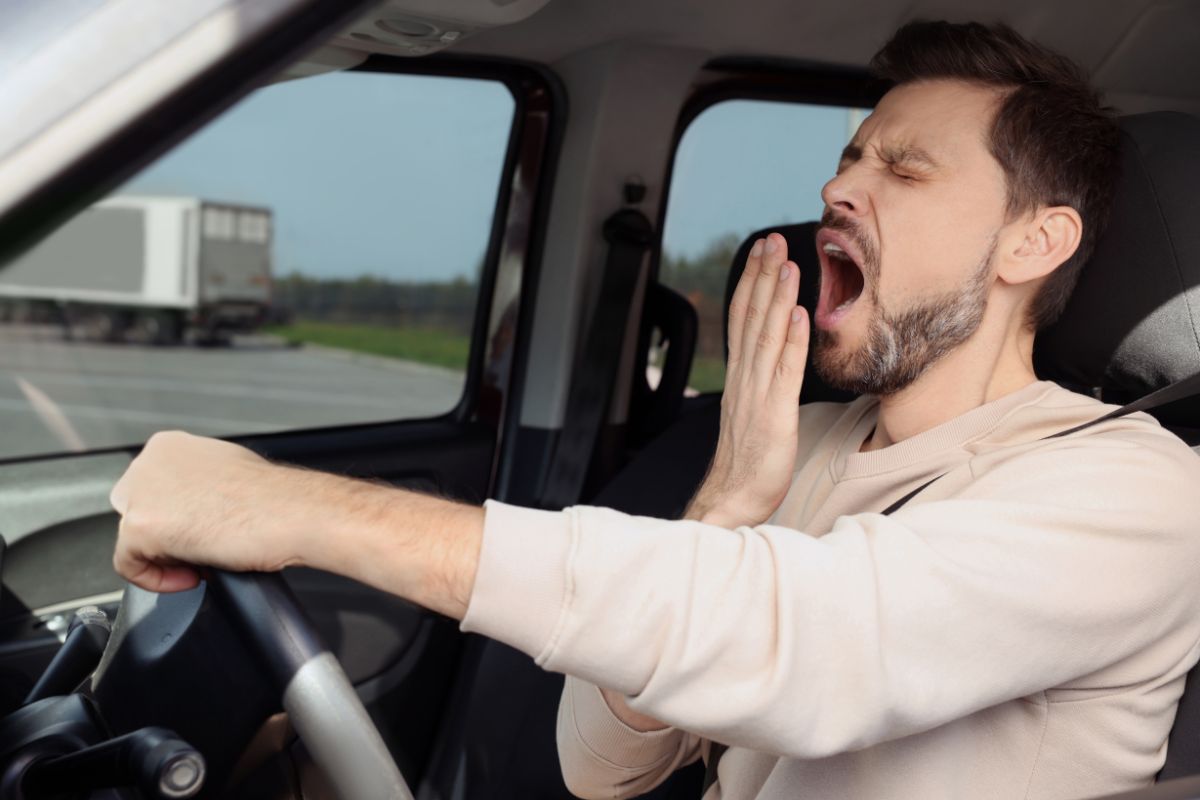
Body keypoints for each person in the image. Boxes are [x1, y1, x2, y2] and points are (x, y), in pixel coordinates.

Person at [108, 20, 1200, 800]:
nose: (839, 190)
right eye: (850, 157)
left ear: (1035, 242)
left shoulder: (1135, 493)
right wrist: (724, 505)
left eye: (905, 170)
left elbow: (815, 643)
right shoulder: (807, 442)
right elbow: (603, 768)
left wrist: (290, 508)